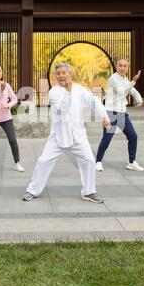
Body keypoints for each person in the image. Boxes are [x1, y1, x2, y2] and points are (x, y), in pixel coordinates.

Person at [22, 62, 111, 203]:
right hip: (58, 136)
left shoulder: (81, 90)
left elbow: (94, 102)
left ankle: (89, 192)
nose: (61, 76)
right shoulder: (53, 92)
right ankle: (32, 190)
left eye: (64, 73)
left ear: (70, 74)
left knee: (88, 160)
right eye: (58, 74)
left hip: (78, 136)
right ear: (55, 76)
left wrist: (104, 116)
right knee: (43, 161)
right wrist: (68, 92)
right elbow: (61, 110)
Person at [96, 58, 144, 172]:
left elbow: (132, 90)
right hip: (111, 113)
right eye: (120, 66)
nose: (123, 68)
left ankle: (131, 162)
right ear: (116, 67)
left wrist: (139, 100)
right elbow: (122, 91)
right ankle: (98, 162)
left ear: (127, 68)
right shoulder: (114, 78)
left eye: (125, 66)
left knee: (133, 136)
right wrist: (134, 81)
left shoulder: (125, 79)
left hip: (122, 114)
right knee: (107, 139)